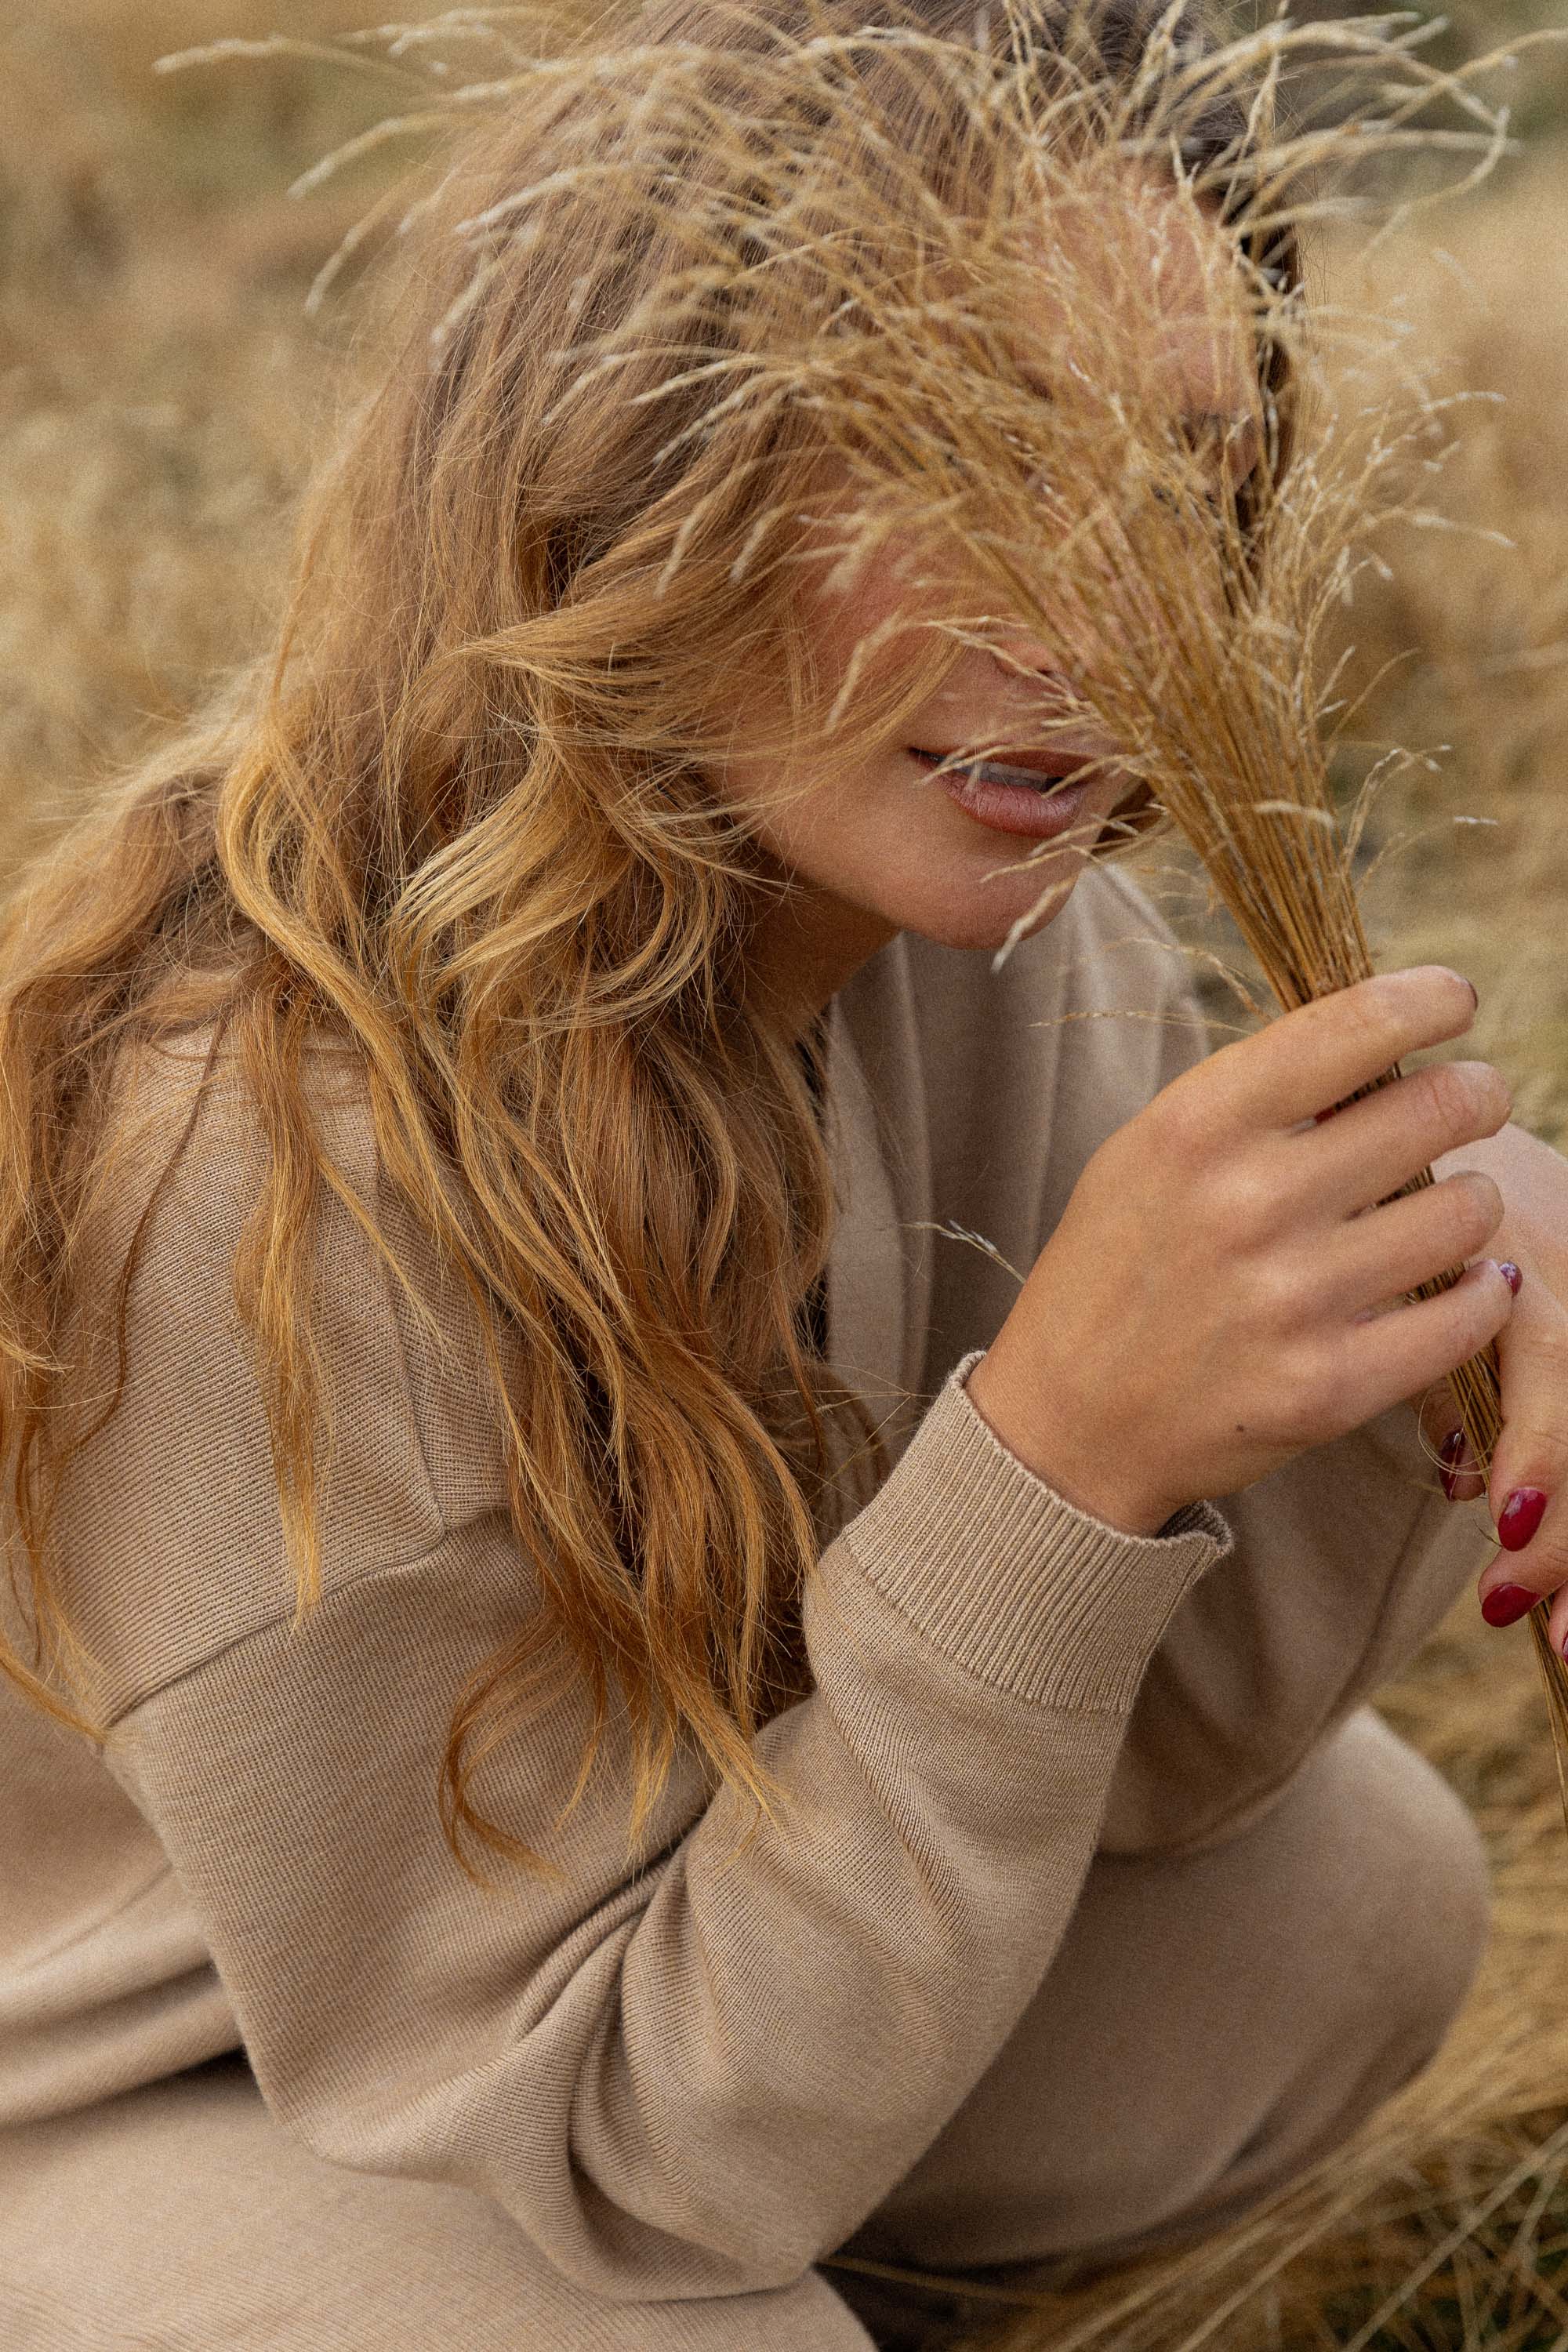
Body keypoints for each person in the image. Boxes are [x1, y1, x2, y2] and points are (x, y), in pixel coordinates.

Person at [3, 3, 1568, 2347]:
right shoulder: (249, 1141)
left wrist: (1397, 1338)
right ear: (629, 466)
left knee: (1348, 1902)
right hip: (141, 2081)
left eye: (1180, 475)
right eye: (961, 450)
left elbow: (1155, 1763)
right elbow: (623, 2137)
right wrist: (1056, 1462)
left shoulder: (1015, 925)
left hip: (624, 1983)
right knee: (694, 2304)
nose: (1112, 615)